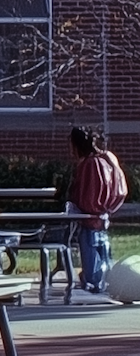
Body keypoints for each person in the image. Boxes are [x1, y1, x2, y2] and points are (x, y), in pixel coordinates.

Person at [69, 126, 129, 294]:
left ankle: (94, 282)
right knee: (103, 250)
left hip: (90, 218)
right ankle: (103, 280)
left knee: (91, 252)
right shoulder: (104, 160)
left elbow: (88, 195)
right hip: (102, 217)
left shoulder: (90, 164)